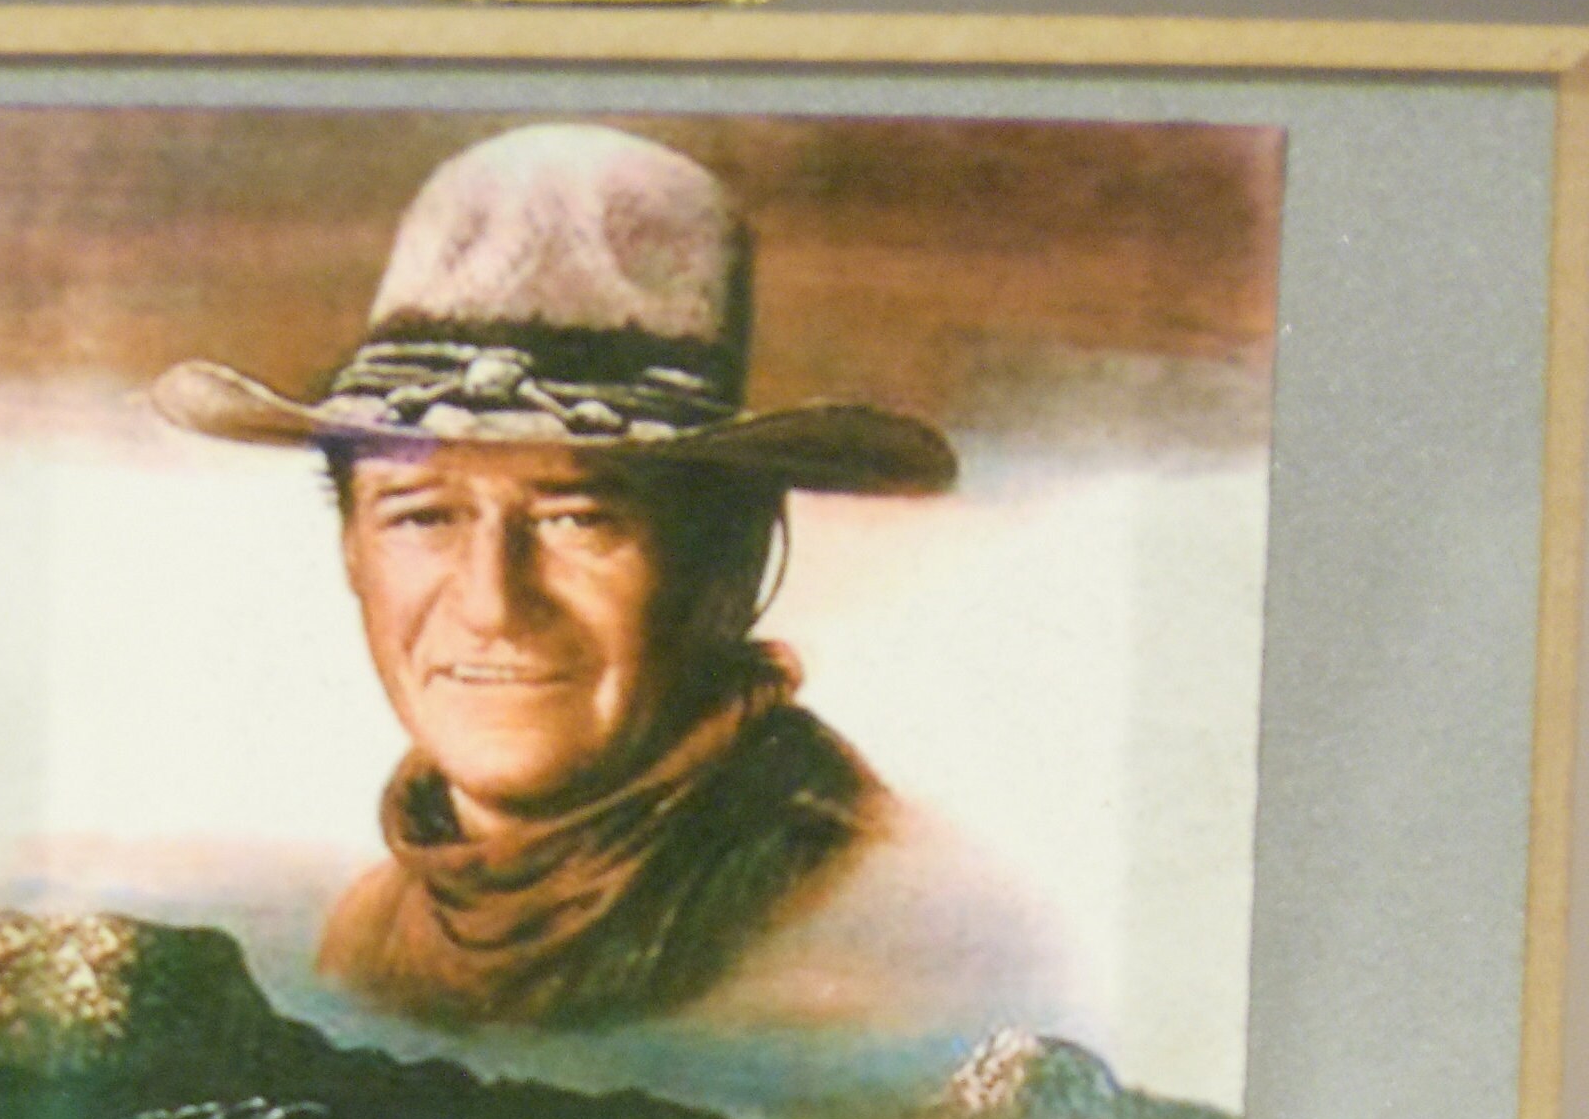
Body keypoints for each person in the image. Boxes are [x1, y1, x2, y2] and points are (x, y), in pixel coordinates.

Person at [152, 120, 1073, 1055]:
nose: (492, 604)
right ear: (352, 550)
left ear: (732, 560)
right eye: (424, 517)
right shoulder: (367, 938)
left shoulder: (875, 933)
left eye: (579, 519)